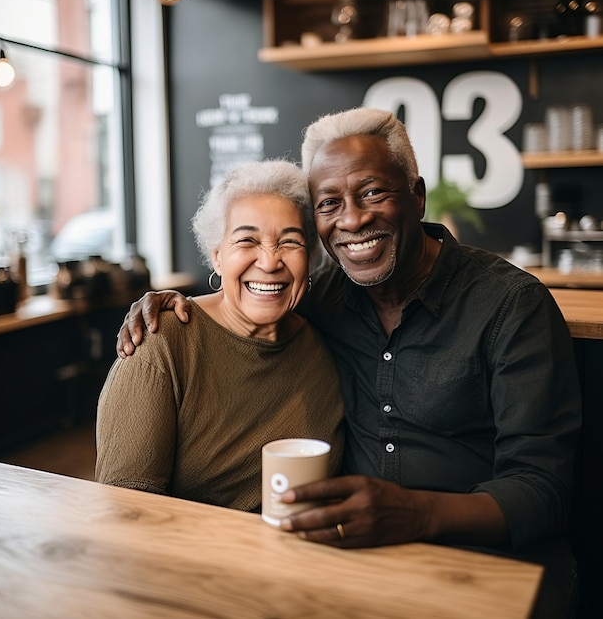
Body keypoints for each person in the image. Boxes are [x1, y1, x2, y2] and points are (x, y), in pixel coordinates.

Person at [116, 108, 582, 617]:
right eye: (329, 203)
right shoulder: (323, 300)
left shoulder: (511, 305)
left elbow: (545, 492)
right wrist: (169, 302)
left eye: (374, 192)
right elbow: (257, 291)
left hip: (490, 564)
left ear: (417, 196)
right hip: (350, 563)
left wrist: (413, 514)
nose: (354, 219)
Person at [96, 159, 344, 512]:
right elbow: (124, 508)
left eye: (289, 242)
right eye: (247, 240)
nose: (270, 261)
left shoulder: (328, 345)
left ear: (310, 258)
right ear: (217, 257)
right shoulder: (162, 341)